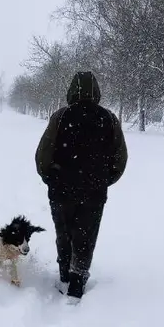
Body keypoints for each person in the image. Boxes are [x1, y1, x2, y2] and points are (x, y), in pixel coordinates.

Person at [34, 70, 128, 301]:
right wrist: (103, 180)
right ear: (96, 91)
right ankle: (77, 280)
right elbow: (120, 159)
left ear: (71, 90)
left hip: (61, 190)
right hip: (94, 192)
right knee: (86, 235)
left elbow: (43, 155)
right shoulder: (109, 118)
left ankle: (64, 274)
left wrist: (51, 177)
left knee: (64, 233)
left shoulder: (60, 116)